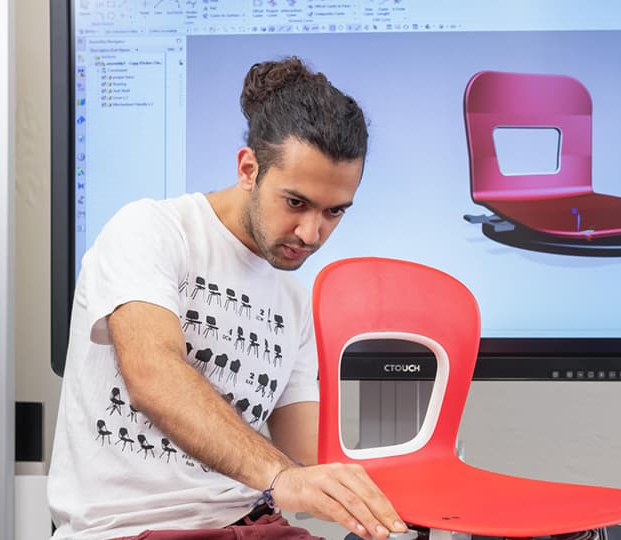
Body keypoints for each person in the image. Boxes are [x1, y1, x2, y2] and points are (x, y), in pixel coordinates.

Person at [48, 56, 408, 540]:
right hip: (131, 529)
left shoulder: (295, 302)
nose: (312, 232)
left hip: (252, 524)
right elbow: (153, 377)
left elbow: (308, 454)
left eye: (334, 212)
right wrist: (279, 476)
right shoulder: (151, 231)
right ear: (248, 169)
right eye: (296, 202)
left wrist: (401, 489)